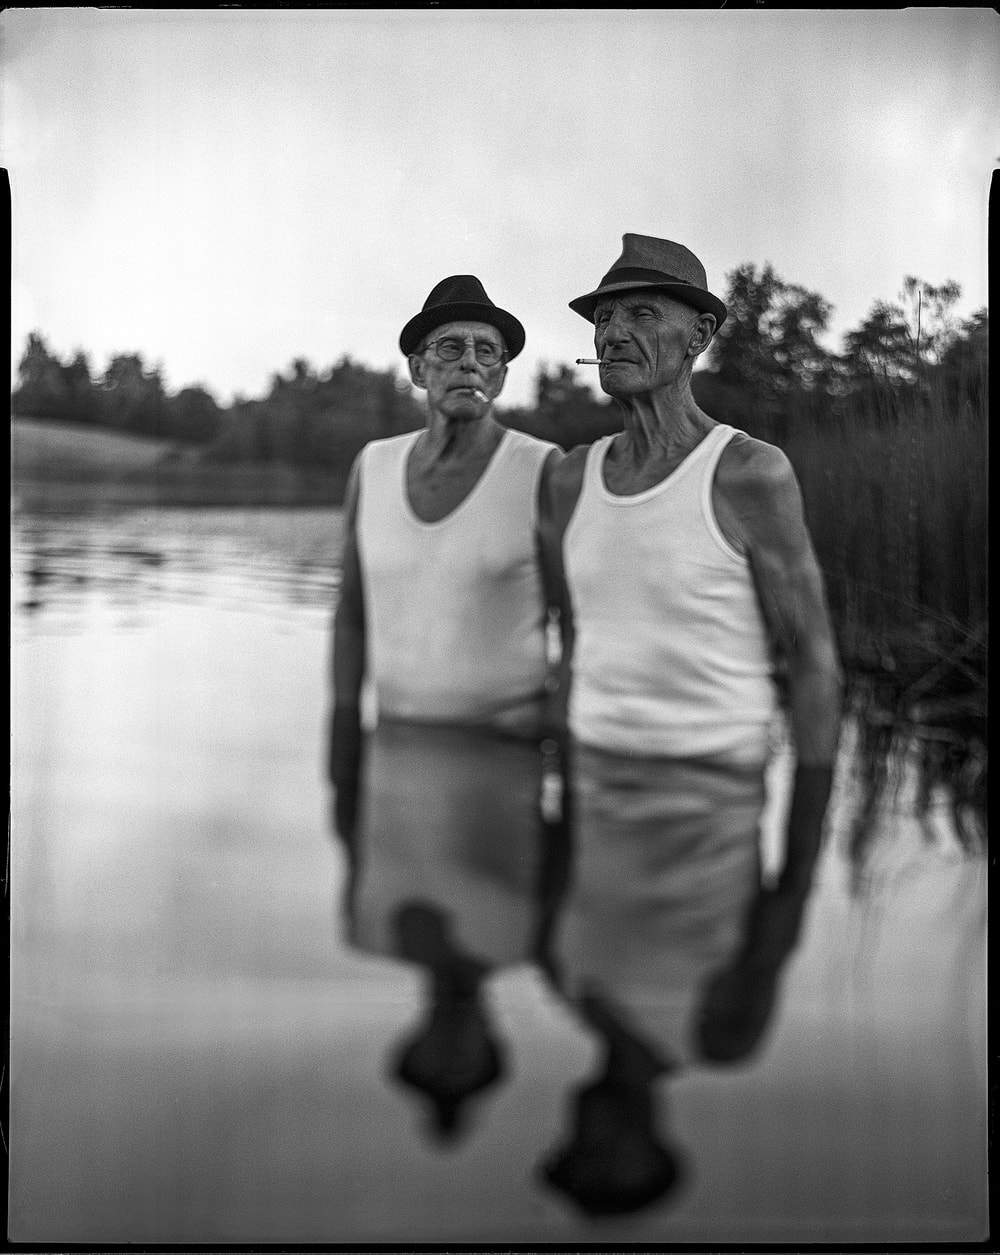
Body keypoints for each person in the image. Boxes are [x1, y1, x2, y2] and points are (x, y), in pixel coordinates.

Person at [536, 233, 843, 1213]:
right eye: (602, 318)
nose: (613, 333)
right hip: (592, 783)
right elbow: (573, 640)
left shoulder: (748, 471)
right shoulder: (565, 479)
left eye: (639, 314)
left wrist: (805, 835)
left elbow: (813, 659)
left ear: (699, 332)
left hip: (711, 790)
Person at [328, 274, 565, 1137]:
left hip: (504, 762)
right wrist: (339, 763)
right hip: (393, 755)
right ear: (416, 371)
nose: (469, 362)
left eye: (486, 351)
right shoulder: (373, 465)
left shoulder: (546, 471)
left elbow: (589, 622)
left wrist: (557, 738)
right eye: (449, 348)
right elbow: (350, 617)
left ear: (503, 374)